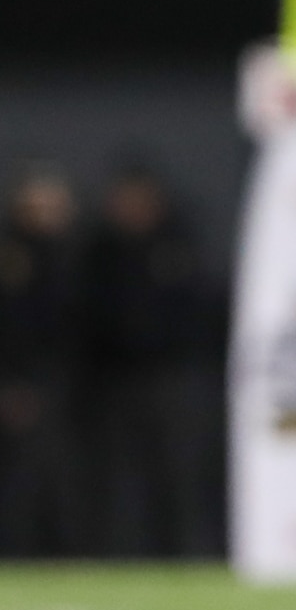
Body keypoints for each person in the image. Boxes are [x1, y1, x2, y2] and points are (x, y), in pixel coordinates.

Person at [83, 162, 220, 558]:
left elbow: (199, 314)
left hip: (177, 382)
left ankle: (189, 557)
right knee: (123, 482)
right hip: (119, 384)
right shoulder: (102, 252)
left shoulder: (182, 245)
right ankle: (124, 558)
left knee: (181, 476)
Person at [0, 167, 82, 557]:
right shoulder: (12, 260)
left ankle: (66, 558)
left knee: (66, 486)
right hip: (25, 390)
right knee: (22, 485)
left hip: (74, 393)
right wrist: (10, 385)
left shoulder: (78, 257)